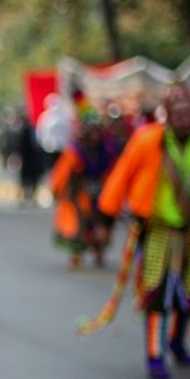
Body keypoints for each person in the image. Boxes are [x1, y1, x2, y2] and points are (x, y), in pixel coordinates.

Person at [96, 84, 190, 379]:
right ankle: (155, 355)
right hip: (158, 230)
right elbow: (121, 178)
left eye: (188, 111)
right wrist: (105, 221)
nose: (183, 118)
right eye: (177, 112)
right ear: (166, 115)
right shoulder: (147, 141)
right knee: (156, 293)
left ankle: (177, 341)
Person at [49, 92, 119, 268]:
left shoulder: (108, 151)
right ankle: (77, 253)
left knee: (102, 223)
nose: (95, 135)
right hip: (79, 193)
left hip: (100, 192)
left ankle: (99, 251)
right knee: (79, 223)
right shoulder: (74, 152)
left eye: (97, 132)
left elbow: (113, 173)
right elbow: (61, 174)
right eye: (92, 131)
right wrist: (57, 191)